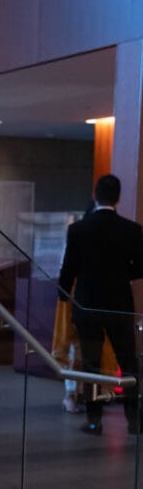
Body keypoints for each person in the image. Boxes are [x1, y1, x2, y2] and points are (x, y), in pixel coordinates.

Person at [58, 173, 143, 435]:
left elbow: (68, 269)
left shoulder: (79, 229)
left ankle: (94, 420)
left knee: (91, 364)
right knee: (128, 362)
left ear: (94, 196)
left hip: (88, 306)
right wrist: (119, 276)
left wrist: (64, 295)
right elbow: (140, 267)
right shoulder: (132, 230)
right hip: (119, 305)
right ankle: (134, 420)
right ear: (117, 198)